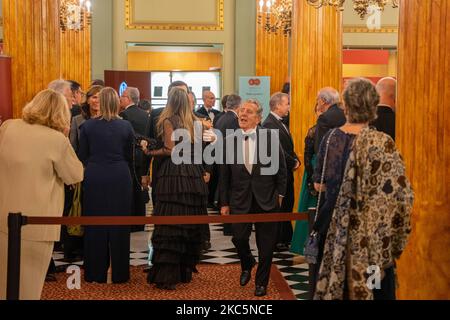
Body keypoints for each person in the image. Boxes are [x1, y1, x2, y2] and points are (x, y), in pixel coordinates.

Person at [312, 78, 413, 300]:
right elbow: (402, 195)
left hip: (334, 230)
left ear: (345, 106)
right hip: (371, 236)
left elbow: (319, 185)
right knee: (373, 287)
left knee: (337, 288)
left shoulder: (330, 139)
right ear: (373, 107)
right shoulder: (382, 142)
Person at [0, 89, 83, 300]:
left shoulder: (9, 126)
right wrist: (65, 137)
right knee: (29, 287)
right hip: (37, 225)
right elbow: (75, 175)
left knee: (3, 284)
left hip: (3, 220)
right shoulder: (56, 139)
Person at [142, 87, 209, 290]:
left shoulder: (169, 120)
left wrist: (149, 151)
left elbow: (170, 150)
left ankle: (167, 276)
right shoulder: (196, 122)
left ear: (171, 102)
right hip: (192, 175)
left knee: (170, 225)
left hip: (173, 175)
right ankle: (183, 272)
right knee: (187, 223)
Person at [219, 99, 287, 297]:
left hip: (267, 200)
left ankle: (261, 283)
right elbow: (224, 175)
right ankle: (247, 261)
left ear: (257, 118)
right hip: (239, 199)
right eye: (241, 110)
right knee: (238, 237)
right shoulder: (228, 140)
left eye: (249, 112)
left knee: (266, 245)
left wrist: (280, 195)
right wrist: (224, 202)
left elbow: (282, 170)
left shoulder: (270, 138)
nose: (243, 114)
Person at [79, 87, 135, 283]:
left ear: (101, 102)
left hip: (95, 175)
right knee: (120, 225)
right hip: (120, 175)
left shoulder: (87, 126)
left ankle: (95, 273)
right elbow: (129, 156)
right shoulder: (126, 127)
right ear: (117, 103)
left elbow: (82, 156)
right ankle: (120, 273)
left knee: (95, 224)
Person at [262, 92, 300, 252]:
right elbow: (277, 151)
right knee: (281, 206)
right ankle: (278, 240)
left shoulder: (280, 122)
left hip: (285, 171)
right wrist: (293, 162)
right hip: (278, 173)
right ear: (277, 105)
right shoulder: (270, 124)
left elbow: (288, 147)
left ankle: (284, 238)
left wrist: (296, 158)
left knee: (287, 205)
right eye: (287, 104)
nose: (289, 107)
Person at [290, 103, 323, 255]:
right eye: (319, 110)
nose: (321, 112)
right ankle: (304, 246)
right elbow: (308, 157)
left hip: (324, 172)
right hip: (312, 173)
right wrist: (311, 179)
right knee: (308, 211)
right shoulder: (313, 131)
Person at [119, 87, 151, 232]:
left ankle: (131, 222)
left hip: (130, 155)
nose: (120, 99)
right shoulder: (145, 115)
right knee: (139, 189)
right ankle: (140, 222)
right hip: (143, 155)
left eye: (122, 96)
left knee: (130, 189)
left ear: (128, 98)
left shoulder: (124, 115)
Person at [215, 94, 242, 236]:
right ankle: (230, 225)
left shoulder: (221, 119)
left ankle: (227, 223)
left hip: (220, 158)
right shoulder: (233, 120)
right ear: (238, 106)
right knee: (229, 189)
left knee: (224, 187)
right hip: (231, 160)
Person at [69, 85, 102, 153]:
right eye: (94, 97)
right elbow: (73, 146)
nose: (98, 101)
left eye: (101, 98)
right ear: (88, 100)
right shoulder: (77, 120)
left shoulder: (108, 119)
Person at [314, 87, 346, 154]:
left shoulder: (324, 118)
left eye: (317, 99)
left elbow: (320, 147)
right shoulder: (345, 114)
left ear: (323, 101)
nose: (317, 102)